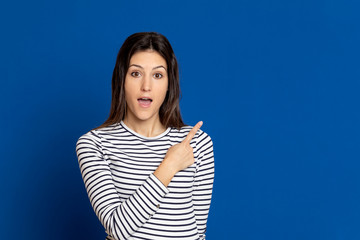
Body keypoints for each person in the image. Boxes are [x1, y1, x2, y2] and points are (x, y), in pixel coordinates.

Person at [76, 32, 215, 240]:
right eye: (136, 73)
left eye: (157, 75)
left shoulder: (197, 142)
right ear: (121, 79)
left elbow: (198, 234)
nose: (146, 86)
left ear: (169, 84)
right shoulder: (94, 145)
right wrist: (170, 165)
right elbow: (118, 229)